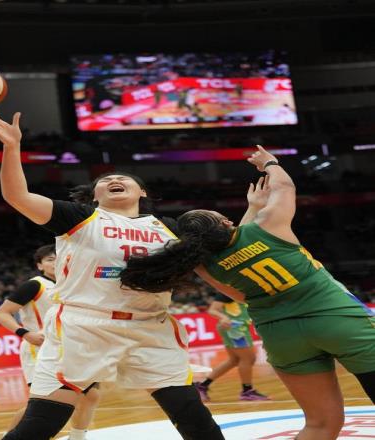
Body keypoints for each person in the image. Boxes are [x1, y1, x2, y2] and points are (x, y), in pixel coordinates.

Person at [0, 108, 225, 440]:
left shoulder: (168, 228)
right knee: (40, 425)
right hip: (84, 327)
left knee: (195, 419)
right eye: (104, 182)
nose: (112, 181)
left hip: (149, 326)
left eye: (123, 179)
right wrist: (12, 147)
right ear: (95, 196)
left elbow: (214, 251)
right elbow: (17, 196)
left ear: (142, 193)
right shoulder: (80, 217)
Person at [121, 145, 375, 440]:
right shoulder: (268, 225)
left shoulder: (205, 265)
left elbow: (241, 288)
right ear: (225, 222)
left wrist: (253, 207)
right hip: (336, 319)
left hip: (282, 337)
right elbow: (284, 187)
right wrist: (270, 163)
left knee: (320, 425)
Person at [0, 244, 100, 440]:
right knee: (39, 404)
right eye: (50, 259)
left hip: (72, 349)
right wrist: (25, 333)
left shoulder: (73, 283)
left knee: (90, 395)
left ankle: (77, 437)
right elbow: (2, 313)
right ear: (40, 265)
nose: (55, 262)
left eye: (59, 258)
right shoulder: (35, 285)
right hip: (40, 348)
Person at [194, 293, 269, 402]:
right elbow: (212, 310)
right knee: (249, 358)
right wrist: (224, 317)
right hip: (234, 328)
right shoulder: (228, 291)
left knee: (234, 360)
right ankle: (247, 391)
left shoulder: (241, 290)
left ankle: (202, 386)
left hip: (238, 327)